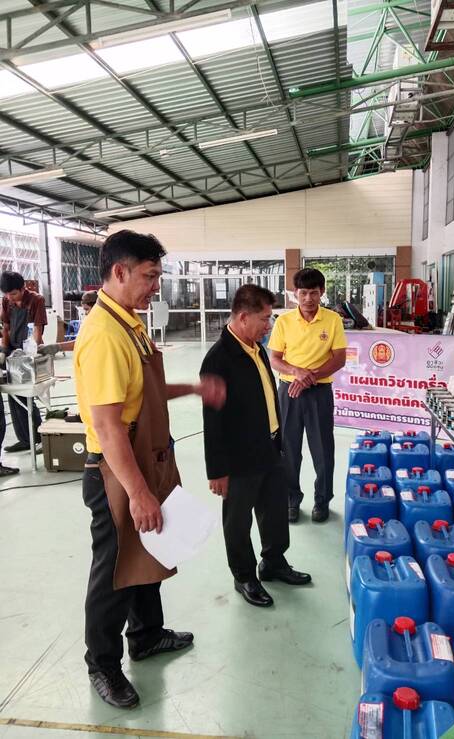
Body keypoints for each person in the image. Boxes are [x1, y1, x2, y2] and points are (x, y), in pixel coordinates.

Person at [74, 230, 225, 709]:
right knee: (116, 569)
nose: (156, 286)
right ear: (119, 272)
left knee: (149, 551)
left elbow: (146, 390)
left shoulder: (130, 324)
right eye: (149, 276)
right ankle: (102, 664)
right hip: (116, 472)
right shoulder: (104, 336)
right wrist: (138, 493)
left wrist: (192, 389)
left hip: (146, 459)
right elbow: (108, 427)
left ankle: (146, 635)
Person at [201, 284, 311, 608]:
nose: (269, 325)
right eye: (264, 319)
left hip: (270, 447)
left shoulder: (257, 349)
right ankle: (245, 576)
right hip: (238, 458)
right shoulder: (217, 360)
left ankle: (273, 562)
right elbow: (212, 421)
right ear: (243, 317)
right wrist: (217, 471)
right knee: (238, 521)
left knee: (274, 510)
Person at [268, 268, 347, 524]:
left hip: (319, 393)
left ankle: (322, 501)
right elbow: (275, 359)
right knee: (288, 449)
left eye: (314, 293)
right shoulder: (283, 321)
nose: (308, 299)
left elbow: (339, 358)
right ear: (295, 294)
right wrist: (296, 372)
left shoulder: (333, 320)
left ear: (321, 292)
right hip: (289, 392)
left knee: (322, 450)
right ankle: (291, 500)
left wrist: (308, 377)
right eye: (303, 293)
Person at [0, 271, 47, 453]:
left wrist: (31, 354)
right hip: (12, 350)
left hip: (28, 350)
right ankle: (25, 439)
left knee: (26, 395)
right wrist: (4, 350)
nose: (9, 298)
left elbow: (37, 330)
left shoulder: (36, 300)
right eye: (6, 294)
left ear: (23, 288)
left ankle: (38, 438)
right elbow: (6, 327)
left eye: (13, 294)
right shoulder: (6, 302)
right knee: (12, 395)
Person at [38, 290, 98, 355]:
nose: (85, 313)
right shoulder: (90, 321)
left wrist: (58, 347)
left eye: (87, 309)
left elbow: (82, 342)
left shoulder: (98, 324)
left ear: (96, 307)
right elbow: (81, 341)